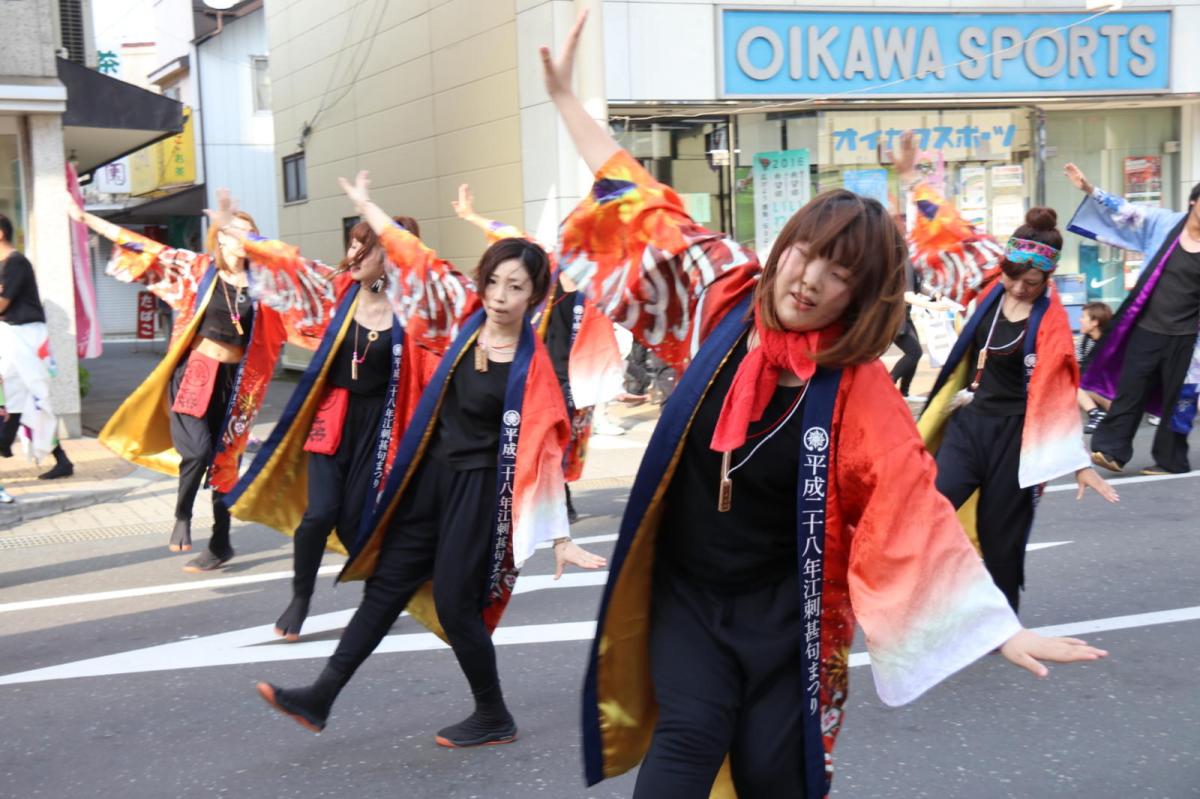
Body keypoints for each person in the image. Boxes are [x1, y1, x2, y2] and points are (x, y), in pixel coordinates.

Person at [544, 12, 1107, 797]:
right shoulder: (725, 296)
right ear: (785, 247)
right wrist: (567, 98)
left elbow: (916, 510)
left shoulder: (859, 393)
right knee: (687, 739)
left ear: (860, 295)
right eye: (806, 251)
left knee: (780, 775)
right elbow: (641, 199)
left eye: (838, 272)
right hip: (688, 594)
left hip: (789, 616)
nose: (808, 277)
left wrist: (996, 627)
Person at [253, 171, 606, 748]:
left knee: (454, 605)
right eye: (493, 281)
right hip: (429, 479)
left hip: (480, 493)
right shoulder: (460, 321)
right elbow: (416, 260)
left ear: (534, 296)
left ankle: (493, 715)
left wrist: (560, 536)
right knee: (386, 586)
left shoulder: (533, 367)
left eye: (515, 287)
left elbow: (545, 452)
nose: (499, 295)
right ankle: (320, 696)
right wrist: (368, 206)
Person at [903, 137, 1118, 615]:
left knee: (1004, 536)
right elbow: (951, 232)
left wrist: (1078, 460)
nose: (1018, 286)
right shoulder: (988, 290)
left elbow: (1061, 391)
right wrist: (911, 178)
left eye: (1031, 281)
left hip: (1016, 439)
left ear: (1047, 278)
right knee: (933, 507)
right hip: (971, 422)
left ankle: (1001, 621)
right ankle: (935, 598)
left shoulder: (1053, 321)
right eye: (1012, 274)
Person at [222, 214, 436, 641]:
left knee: (360, 521)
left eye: (365, 246)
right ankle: (300, 599)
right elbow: (293, 265)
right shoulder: (339, 291)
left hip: (382, 426)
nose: (353, 253)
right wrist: (248, 238)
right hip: (334, 415)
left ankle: (387, 593)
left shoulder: (413, 311)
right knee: (318, 515)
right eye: (352, 244)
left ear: (392, 256)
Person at [66, 196, 300, 570]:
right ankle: (182, 515)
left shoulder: (266, 285)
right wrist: (83, 217)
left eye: (246, 234)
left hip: (238, 385)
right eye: (230, 233)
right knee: (197, 451)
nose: (238, 240)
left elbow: (296, 269)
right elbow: (144, 247)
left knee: (225, 463)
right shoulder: (198, 270)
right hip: (196, 372)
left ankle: (221, 544)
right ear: (218, 239)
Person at [451, 183, 625, 522]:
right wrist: (472, 216)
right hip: (537, 373)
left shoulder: (596, 287)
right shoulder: (546, 270)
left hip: (576, 382)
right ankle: (548, 502)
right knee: (538, 437)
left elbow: (605, 338)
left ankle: (557, 498)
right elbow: (512, 236)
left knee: (563, 443)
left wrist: (613, 383)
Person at [1063, 164, 1200, 476]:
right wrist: (1089, 188)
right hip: (1147, 328)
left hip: (1185, 337)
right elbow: (1126, 210)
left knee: (1176, 399)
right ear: (1194, 202)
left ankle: (1171, 460)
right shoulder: (1165, 223)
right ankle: (1110, 451)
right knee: (1130, 388)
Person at [0, 213, 75, 479]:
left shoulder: (15, 263)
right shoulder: (6, 263)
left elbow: (2, 304)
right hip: (13, 337)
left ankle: (7, 442)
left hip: (26, 337)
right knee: (20, 398)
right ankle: (9, 443)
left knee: (31, 397)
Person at [1076, 301, 1113, 433]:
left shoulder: (1111, 343)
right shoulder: (1084, 340)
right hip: (1092, 390)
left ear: (1094, 322)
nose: (1079, 320)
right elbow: (1078, 364)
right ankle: (1096, 414)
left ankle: (1095, 414)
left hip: (1112, 397)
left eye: (1083, 317)